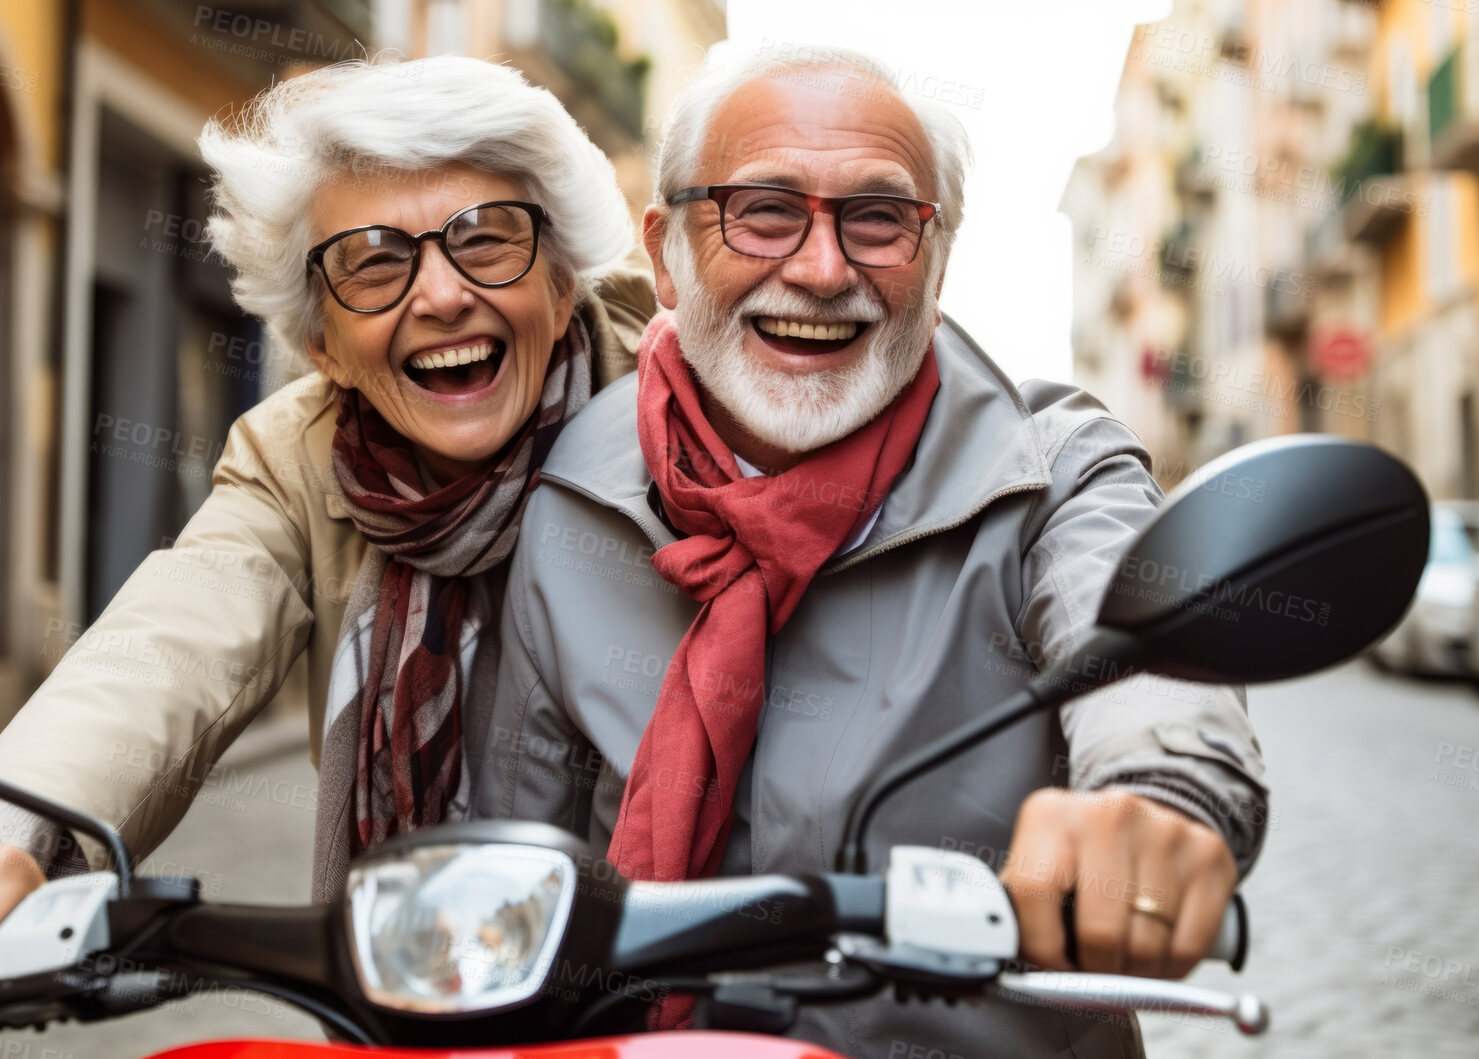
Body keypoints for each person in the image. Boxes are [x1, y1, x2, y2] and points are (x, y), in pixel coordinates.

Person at [469, 46, 1269, 1058]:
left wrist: (1160, 797)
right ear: (666, 253)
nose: (819, 269)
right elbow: (509, 856)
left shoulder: (1052, 469)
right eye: (760, 209)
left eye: (878, 219)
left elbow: (1146, 651)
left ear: (936, 266)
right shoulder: (575, 491)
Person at [0, 55, 655, 1009]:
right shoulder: (301, 454)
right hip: (410, 1005)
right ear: (321, 340)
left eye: (486, 239)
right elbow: (169, 646)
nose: (440, 294)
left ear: (559, 275)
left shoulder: (685, 417)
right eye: (373, 259)